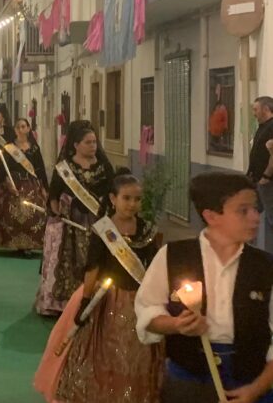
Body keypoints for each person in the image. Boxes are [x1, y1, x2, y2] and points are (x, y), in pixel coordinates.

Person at [135, 171, 273, 402]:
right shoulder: (173, 256)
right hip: (189, 380)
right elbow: (147, 310)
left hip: (250, 380)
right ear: (211, 216)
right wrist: (176, 324)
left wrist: (257, 389)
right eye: (243, 210)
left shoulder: (265, 266)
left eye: (255, 208)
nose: (255, 217)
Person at [36, 170, 163, 402]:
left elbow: (154, 266)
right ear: (113, 199)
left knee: (135, 354)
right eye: (126, 198)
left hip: (138, 297)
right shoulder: (103, 229)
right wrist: (85, 300)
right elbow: (92, 267)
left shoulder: (147, 229)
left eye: (137, 199)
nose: (132, 204)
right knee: (104, 352)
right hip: (104, 299)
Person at [36, 121, 113, 316]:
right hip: (71, 222)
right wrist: (57, 213)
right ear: (76, 145)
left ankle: (94, 300)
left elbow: (113, 191)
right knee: (70, 260)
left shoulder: (103, 167)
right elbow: (54, 194)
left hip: (97, 220)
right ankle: (65, 304)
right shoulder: (65, 168)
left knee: (94, 259)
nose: (93, 146)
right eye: (88, 142)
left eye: (95, 142)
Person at [0, 118, 49, 251]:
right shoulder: (9, 148)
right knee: (10, 215)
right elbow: (3, 168)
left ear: (28, 128)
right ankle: (14, 243)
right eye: (18, 127)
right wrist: (4, 183)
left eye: (23, 126)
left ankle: (29, 244)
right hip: (12, 184)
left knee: (33, 215)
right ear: (15, 130)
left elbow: (40, 169)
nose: (21, 129)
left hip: (31, 185)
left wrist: (45, 188)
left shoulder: (34, 148)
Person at [249, 97, 273, 252]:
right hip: (256, 179)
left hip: (267, 182)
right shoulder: (262, 127)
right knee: (248, 214)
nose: (254, 113)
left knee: (271, 218)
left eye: (256, 109)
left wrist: (267, 175)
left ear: (265, 109)